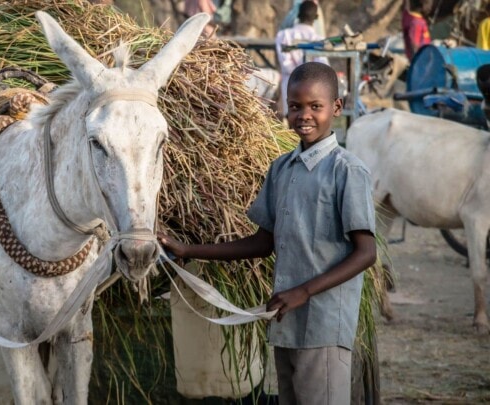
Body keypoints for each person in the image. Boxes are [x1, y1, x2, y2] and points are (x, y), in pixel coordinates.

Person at [159, 62, 377, 404]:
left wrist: (303, 292)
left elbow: (366, 253)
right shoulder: (280, 168)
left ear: (336, 107)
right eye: (295, 106)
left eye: (315, 106)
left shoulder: (347, 171)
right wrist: (187, 250)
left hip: (322, 324)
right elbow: (263, 243)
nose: (304, 115)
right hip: (285, 320)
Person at [275, 0, 327, 117]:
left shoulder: (283, 36)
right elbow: (323, 67)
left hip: (290, 86)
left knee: (292, 123)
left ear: (297, 15)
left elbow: (286, 65)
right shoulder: (319, 40)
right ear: (316, 18)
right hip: (313, 90)